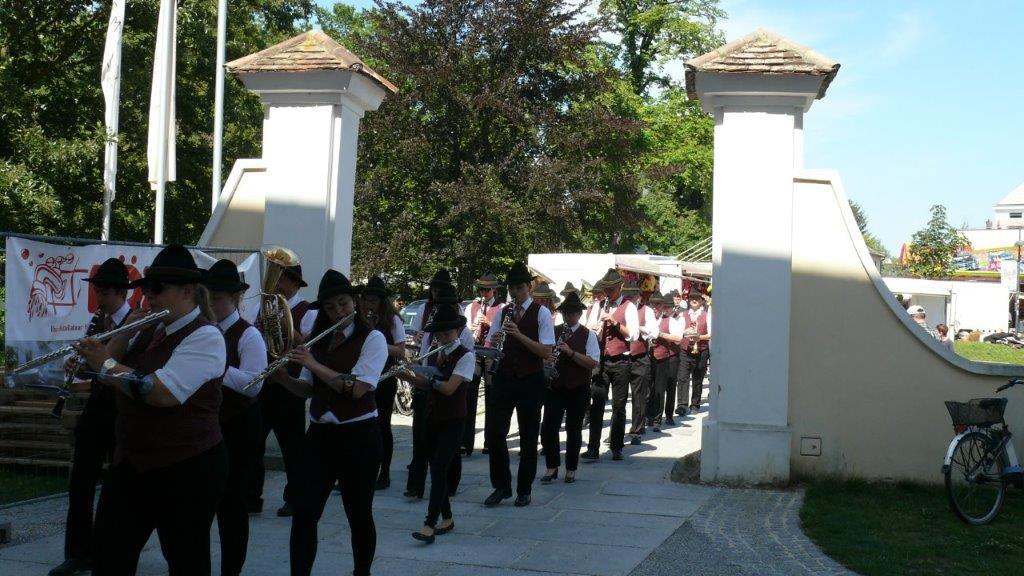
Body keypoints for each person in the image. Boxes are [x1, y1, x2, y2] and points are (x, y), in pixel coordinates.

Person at [73, 245, 227, 575]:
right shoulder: (151, 328)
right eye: (146, 288)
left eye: (157, 289)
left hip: (187, 466)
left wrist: (106, 363)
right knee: (109, 556)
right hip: (135, 461)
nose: (149, 296)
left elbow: (160, 392)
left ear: (187, 291)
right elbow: (106, 371)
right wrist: (124, 333)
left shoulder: (206, 337)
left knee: (186, 561)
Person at [272, 270, 386, 576]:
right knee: (304, 512)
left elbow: (357, 388)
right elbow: (307, 389)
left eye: (343, 303)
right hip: (320, 435)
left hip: (359, 436)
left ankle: (361, 572)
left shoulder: (373, 339)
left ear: (355, 302)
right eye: (331, 307)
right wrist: (282, 377)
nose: (338, 311)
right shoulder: (319, 341)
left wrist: (312, 363)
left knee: (358, 514)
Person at [50, 258, 132, 576]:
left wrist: (95, 366)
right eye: (98, 291)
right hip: (97, 408)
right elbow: (92, 368)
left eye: (104, 292)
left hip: (123, 410)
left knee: (119, 486)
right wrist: (77, 366)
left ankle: (110, 551)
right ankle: (78, 553)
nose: (99, 298)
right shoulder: (99, 321)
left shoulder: (135, 324)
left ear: (121, 292)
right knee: (81, 480)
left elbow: (125, 367)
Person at [203, 260, 268, 576]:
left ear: (234, 298)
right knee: (202, 502)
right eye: (208, 298)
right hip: (208, 424)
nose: (211, 304)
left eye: (217, 298)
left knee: (232, 503)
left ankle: (231, 569)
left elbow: (255, 383)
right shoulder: (203, 331)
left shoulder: (248, 334)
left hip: (239, 424)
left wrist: (215, 366)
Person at [483, 262, 555, 507]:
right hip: (504, 377)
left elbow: (546, 351)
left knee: (528, 436)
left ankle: (524, 489)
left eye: (520, 288)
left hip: (530, 379)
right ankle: (501, 486)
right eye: (512, 288)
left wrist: (519, 335)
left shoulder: (542, 313)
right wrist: (495, 341)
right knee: (494, 433)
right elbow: (491, 346)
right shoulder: (503, 312)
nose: (515, 292)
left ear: (529, 287)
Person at [251, 263, 317, 517]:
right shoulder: (264, 307)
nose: (276, 284)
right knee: (254, 443)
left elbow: (309, 347)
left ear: (295, 284)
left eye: (282, 280)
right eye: (275, 278)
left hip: (290, 386)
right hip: (264, 383)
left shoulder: (308, 311)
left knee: (293, 447)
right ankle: (252, 496)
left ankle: (295, 498)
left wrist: (287, 328)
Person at [407, 306, 476, 544]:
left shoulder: (466, 356)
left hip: (454, 420)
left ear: (457, 331)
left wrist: (427, 379)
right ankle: (447, 518)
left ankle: (429, 523)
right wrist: (406, 374)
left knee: (438, 469)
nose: (443, 337)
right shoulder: (438, 352)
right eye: (439, 334)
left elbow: (448, 388)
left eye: (448, 333)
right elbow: (427, 384)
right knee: (435, 468)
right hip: (434, 416)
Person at [540, 292, 599, 484]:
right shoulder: (554, 331)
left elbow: (593, 363)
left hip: (578, 387)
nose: (568, 316)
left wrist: (570, 352)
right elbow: (543, 354)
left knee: (574, 429)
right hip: (555, 386)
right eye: (565, 313)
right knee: (549, 427)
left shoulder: (589, 335)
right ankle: (551, 466)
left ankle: (571, 468)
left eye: (572, 313)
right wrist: (547, 360)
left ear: (579, 314)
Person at [582, 269, 638, 462]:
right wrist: (593, 329)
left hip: (621, 360)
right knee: (597, 404)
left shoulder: (628, 306)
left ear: (620, 287)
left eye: (611, 289)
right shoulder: (598, 306)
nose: (607, 293)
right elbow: (587, 329)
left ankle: (616, 447)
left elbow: (633, 335)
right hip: (601, 360)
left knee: (618, 406)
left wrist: (614, 322)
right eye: (606, 289)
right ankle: (593, 448)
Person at [358, 276, 407, 490]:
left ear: (381, 301)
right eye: (367, 299)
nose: (369, 303)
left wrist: (376, 343)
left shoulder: (392, 320)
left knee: (382, 426)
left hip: (384, 378)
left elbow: (401, 351)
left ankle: (384, 473)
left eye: (374, 300)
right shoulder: (360, 318)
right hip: (362, 376)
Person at [463, 272, 504, 457]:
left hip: (490, 354)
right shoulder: (472, 306)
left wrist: (488, 322)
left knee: (491, 397)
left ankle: (490, 441)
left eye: (487, 290)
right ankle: (466, 442)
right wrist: (472, 328)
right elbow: (465, 329)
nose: (484, 293)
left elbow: (503, 332)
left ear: (494, 290)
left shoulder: (501, 307)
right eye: (481, 289)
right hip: (474, 351)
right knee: (469, 396)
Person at [624, 282, 658, 445]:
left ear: (638, 297)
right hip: (622, 356)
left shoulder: (647, 311)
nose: (630, 299)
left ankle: (636, 430)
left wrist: (638, 328)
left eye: (632, 296)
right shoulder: (620, 309)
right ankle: (617, 432)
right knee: (620, 398)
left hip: (640, 356)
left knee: (639, 396)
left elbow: (654, 332)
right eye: (627, 296)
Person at [646, 293, 682, 431]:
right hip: (647, 358)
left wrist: (660, 334)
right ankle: (649, 416)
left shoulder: (669, 320)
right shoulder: (647, 319)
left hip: (663, 358)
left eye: (658, 304)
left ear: (662, 306)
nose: (655, 307)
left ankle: (657, 419)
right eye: (652, 304)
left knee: (660, 389)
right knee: (649, 389)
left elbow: (678, 338)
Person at [677, 290, 711, 415]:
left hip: (701, 350)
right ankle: (682, 405)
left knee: (698, 378)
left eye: (697, 298)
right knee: (682, 377)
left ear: (701, 301)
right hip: (685, 349)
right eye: (692, 298)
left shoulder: (707, 315)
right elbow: (678, 332)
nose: (694, 300)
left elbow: (711, 334)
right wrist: (685, 332)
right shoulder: (683, 315)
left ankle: (695, 404)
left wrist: (699, 337)